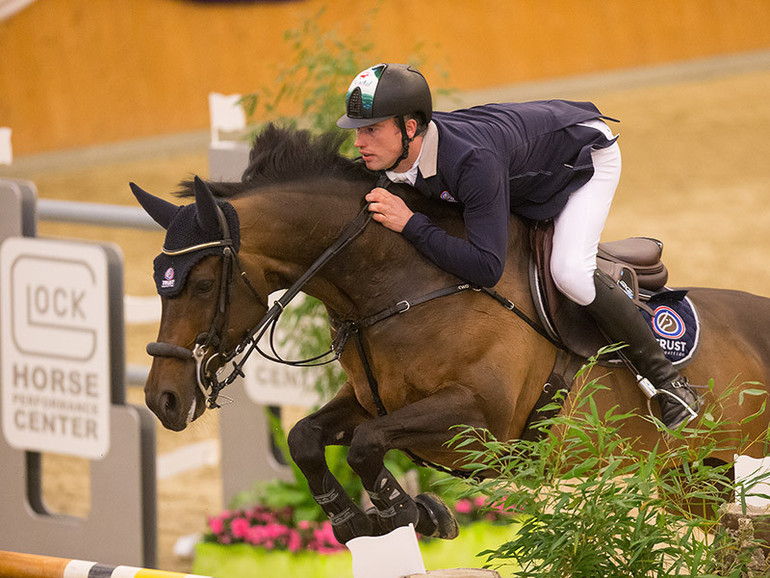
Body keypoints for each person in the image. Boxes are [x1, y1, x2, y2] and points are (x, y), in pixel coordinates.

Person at [337, 62, 700, 430]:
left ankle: (669, 382)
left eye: (371, 129)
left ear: (409, 128)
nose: (358, 142)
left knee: (570, 272)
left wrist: (411, 224)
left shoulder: (471, 161)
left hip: (582, 157)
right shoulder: (402, 151)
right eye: (358, 131)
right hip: (521, 167)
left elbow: (486, 268)